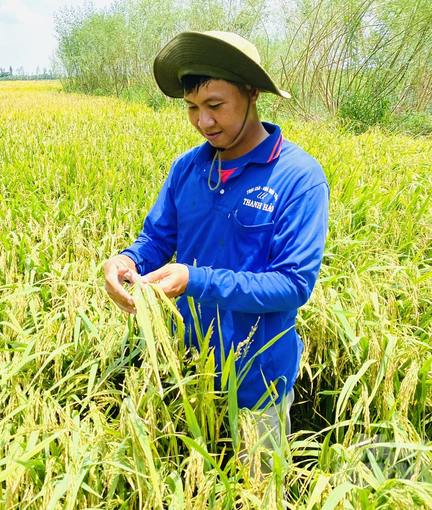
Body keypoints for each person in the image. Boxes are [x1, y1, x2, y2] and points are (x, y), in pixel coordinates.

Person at [104, 31, 329, 470]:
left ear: (252, 92)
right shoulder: (188, 168)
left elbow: (293, 284)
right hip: (190, 365)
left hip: (257, 380)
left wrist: (194, 278)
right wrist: (127, 260)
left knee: (256, 482)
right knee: (191, 474)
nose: (203, 122)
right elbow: (158, 239)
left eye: (215, 105)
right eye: (192, 108)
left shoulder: (298, 178)